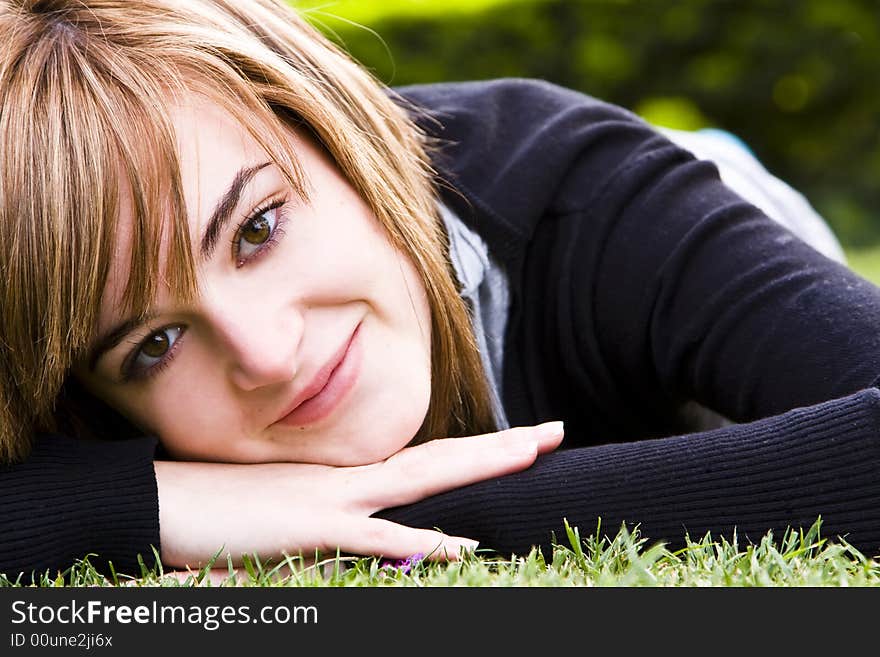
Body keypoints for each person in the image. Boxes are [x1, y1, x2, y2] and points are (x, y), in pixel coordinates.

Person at [1, 0, 879, 581]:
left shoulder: (589, 196)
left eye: (257, 229)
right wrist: (154, 504)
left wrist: (353, 517)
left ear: (334, 129)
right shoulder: (64, 362)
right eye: (152, 344)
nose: (266, 353)